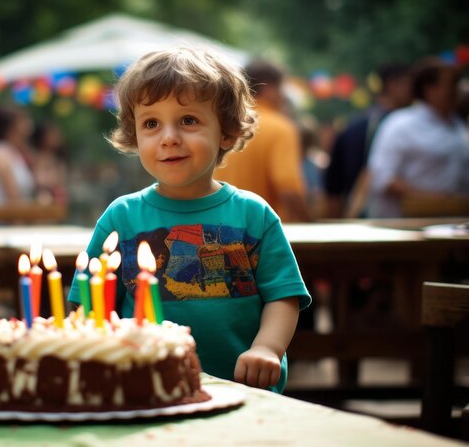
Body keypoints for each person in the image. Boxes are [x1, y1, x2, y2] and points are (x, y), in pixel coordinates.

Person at [68, 47, 311, 393]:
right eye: (151, 123)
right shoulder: (120, 218)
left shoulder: (254, 215)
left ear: (226, 131)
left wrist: (266, 349)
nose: (169, 137)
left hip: (241, 391)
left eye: (188, 120)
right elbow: (90, 309)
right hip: (142, 389)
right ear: (134, 134)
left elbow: (283, 296)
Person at [368, 58, 469, 218]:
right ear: (429, 89)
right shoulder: (400, 124)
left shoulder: (458, 126)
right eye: (451, 84)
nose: (456, 90)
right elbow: (384, 179)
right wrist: (434, 201)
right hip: (409, 230)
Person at [213, 60, 310, 222]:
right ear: (269, 89)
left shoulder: (224, 122)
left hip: (217, 227)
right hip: (261, 233)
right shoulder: (280, 128)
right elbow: (289, 189)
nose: (283, 96)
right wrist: (309, 224)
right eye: (281, 89)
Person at [324, 64, 412, 218]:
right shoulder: (401, 125)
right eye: (411, 84)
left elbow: (333, 191)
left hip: (356, 221)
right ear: (393, 85)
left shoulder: (352, 126)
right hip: (396, 220)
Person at [0, 105, 36, 205]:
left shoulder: (13, 152)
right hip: (4, 220)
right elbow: (13, 202)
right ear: (10, 127)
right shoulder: (0, 155)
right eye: (23, 121)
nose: (29, 126)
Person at [31, 121, 69, 206]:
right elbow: (39, 180)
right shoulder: (38, 158)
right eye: (52, 135)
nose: (56, 138)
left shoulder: (58, 159)